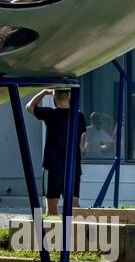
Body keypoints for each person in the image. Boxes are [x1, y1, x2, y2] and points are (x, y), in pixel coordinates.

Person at [26, 88, 88, 216]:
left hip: (52, 166)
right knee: (74, 205)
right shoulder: (79, 116)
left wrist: (44, 92)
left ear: (54, 98)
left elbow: (29, 107)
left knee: (51, 208)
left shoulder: (50, 114)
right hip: (72, 166)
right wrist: (81, 148)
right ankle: (76, 233)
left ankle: (53, 234)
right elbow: (83, 140)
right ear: (69, 96)